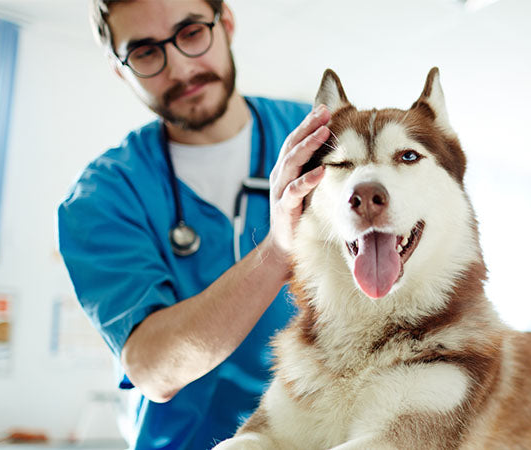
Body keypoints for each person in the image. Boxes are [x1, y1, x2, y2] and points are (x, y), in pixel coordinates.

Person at [57, 1, 330, 448]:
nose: (181, 69)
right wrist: (277, 252)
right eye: (145, 52)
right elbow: (152, 369)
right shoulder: (104, 196)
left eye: (190, 33)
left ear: (226, 23)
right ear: (118, 68)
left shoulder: (317, 138)